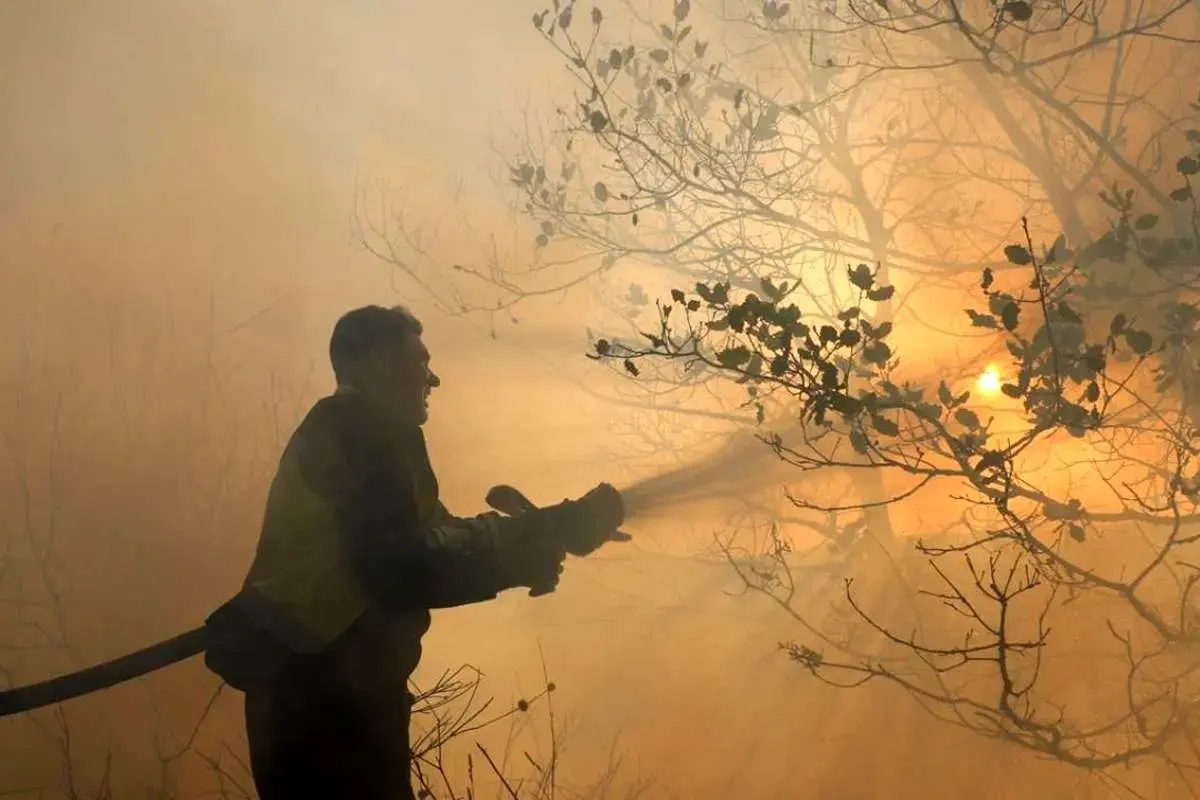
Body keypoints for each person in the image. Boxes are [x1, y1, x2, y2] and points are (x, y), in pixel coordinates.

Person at [203, 304, 626, 800]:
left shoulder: (368, 433)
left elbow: (434, 536)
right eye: (421, 362)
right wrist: (513, 566)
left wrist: (543, 525)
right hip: (321, 698)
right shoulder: (358, 433)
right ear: (377, 364)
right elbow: (396, 575)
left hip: (329, 689)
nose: (435, 378)